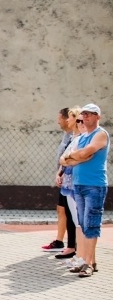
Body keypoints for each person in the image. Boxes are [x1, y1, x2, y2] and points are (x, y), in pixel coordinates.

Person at [59, 103, 109, 277]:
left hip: (94, 185)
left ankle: (88, 264)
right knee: (83, 223)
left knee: (91, 223)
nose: (86, 117)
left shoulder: (100, 134)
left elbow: (81, 154)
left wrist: (74, 157)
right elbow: (63, 160)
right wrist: (76, 157)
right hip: (79, 184)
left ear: (98, 117)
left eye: (90, 114)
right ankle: (90, 261)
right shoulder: (81, 137)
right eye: (84, 114)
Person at [47, 107, 77, 255]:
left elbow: (69, 158)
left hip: (71, 180)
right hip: (64, 179)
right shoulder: (67, 135)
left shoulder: (77, 137)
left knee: (72, 213)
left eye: (60, 118)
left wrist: (63, 171)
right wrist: (59, 173)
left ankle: (73, 246)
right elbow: (63, 159)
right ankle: (60, 241)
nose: (58, 121)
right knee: (62, 210)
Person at [58, 107, 85, 267]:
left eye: (71, 117)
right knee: (73, 217)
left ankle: (81, 255)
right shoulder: (72, 138)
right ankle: (78, 254)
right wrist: (62, 168)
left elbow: (74, 158)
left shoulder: (82, 138)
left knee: (79, 220)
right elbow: (63, 159)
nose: (68, 120)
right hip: (68, 181)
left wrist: (67, 159)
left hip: (76, 182)